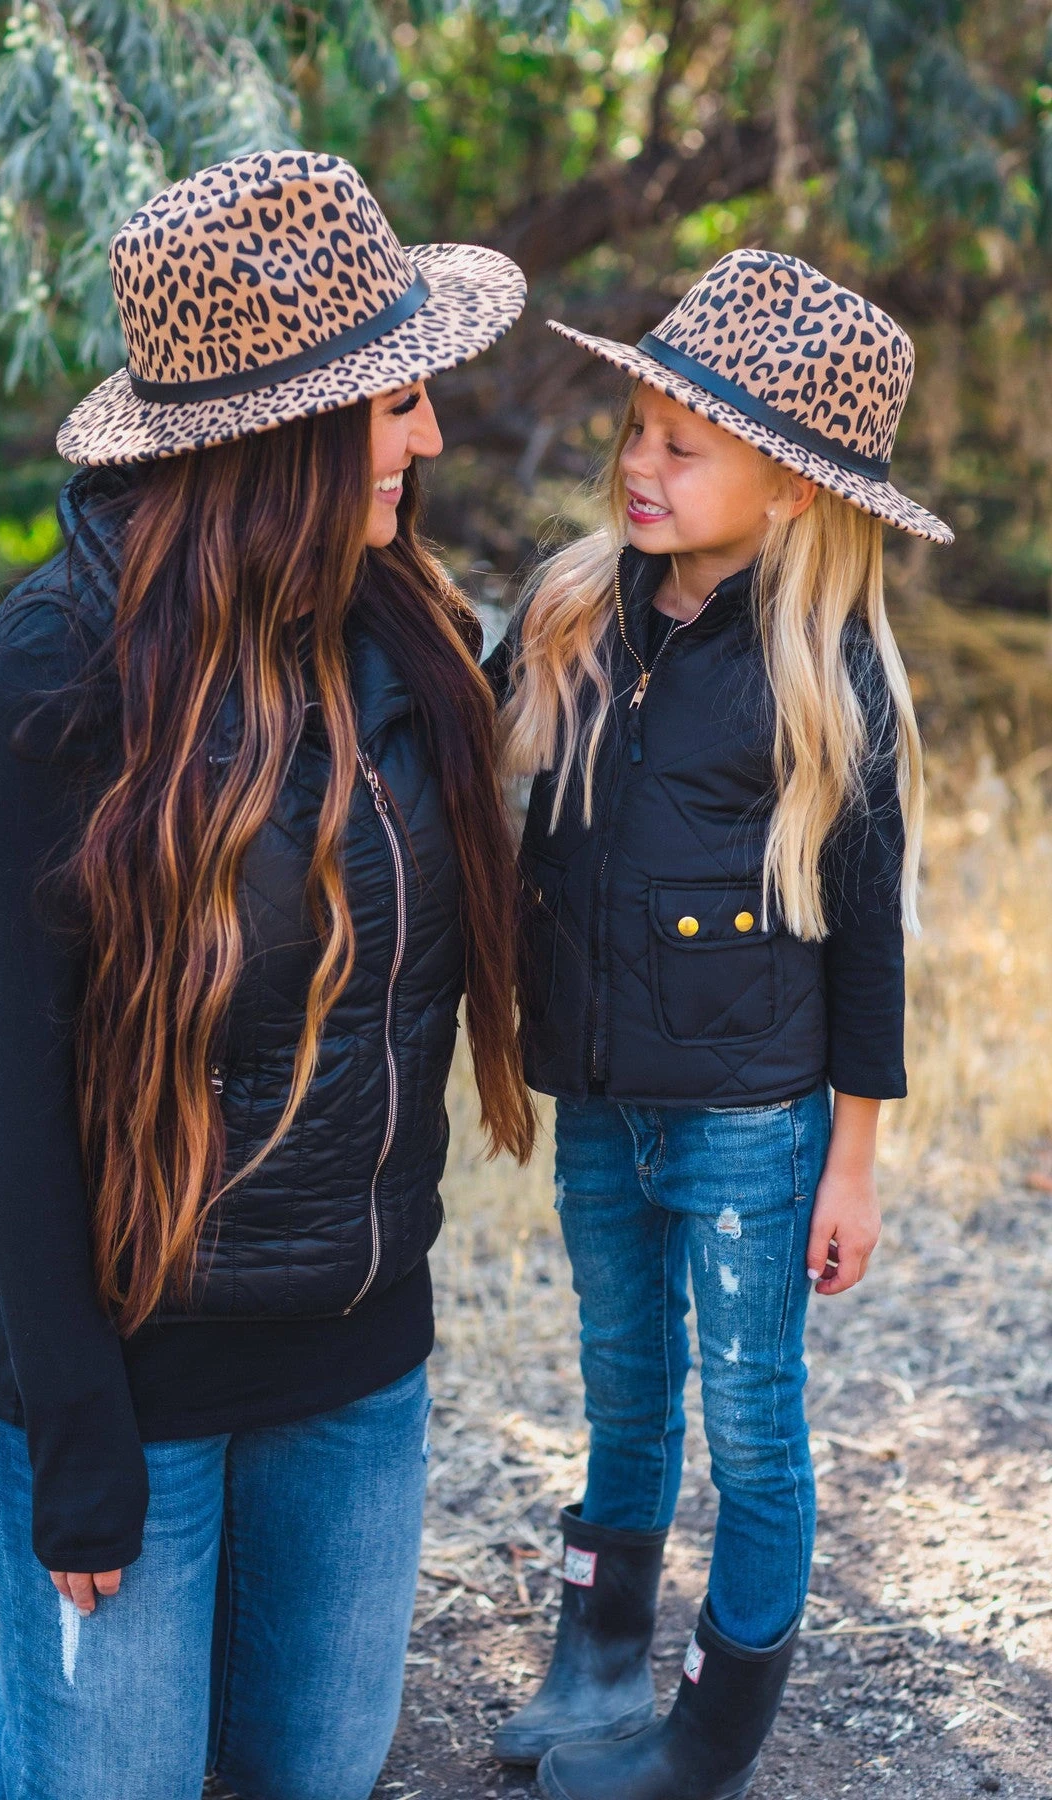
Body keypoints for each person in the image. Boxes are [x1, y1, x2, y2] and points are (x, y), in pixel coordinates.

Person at [0, 148, 534, 1800]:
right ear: (279, 437)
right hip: (118, 1362)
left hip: (352, 1354)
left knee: (304, 1777)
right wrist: (79, 1435)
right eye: (393, 404)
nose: (431, 435)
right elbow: (12, 1087)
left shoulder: (413, 634)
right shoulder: (48, 676)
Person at [487, 249, 952, 1800]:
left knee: (754, 1418)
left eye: (685, 449)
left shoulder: (831, 679)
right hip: (602, 1097)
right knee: (623, 1380)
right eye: (634, 429)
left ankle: (711, 1729)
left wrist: (855, 1159)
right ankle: (601, 1652)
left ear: (793, 491)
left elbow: (871, 946)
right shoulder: (571, 614)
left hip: (757, 1113)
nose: (639, 464)